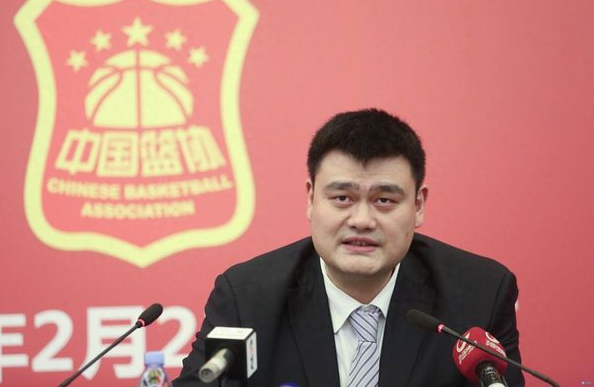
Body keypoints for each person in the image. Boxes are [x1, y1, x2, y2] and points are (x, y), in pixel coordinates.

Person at [173, 109, 523, 386]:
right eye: (342, 198)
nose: (362, 220)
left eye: (384, 200)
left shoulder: (480, 295)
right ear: (311, 198)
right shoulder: (247, 297)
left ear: (418, 206)